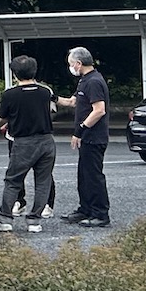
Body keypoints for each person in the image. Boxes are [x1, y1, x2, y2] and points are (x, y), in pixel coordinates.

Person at [0, 55, 56, 234]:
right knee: (43, 181)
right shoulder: (45, 92)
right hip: (46, 140)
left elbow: (1, 117)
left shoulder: (10, 94)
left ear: (15, 74)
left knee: (13, 181)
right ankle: (34, 221)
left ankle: (5, 219)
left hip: (24, 142)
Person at [57, 47, 112, 227]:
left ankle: (100, 214)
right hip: (87, 138)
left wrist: (80, 130)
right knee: (84, 176)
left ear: (79, 63)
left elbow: (99, 110)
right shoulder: (84, 80)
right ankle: (85, 209)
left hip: (94, 137)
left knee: (93, 176)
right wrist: (51, 97)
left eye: (71, 64)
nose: (70, 67)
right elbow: (73, 102)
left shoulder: (94, 81)